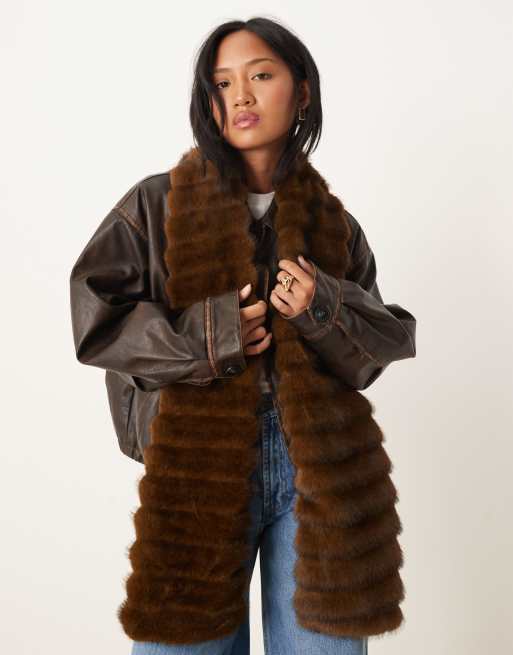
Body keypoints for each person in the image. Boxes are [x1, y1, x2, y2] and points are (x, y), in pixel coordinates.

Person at [70, 16, 416, 655]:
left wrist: (322, 307)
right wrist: (209, 334)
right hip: (199, 466)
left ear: (302, 91)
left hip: (318, 474)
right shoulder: (154, 205)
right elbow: (96, 322)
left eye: (260, 75)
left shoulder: (337, 225)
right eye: (223, 83)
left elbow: (374, 351)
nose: (241, 96)